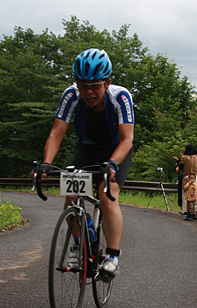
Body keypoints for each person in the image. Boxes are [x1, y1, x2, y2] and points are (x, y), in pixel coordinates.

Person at [37, 48, 135, 279]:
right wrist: (46, 163)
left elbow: (127, 139)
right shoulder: (71, 95)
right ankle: (79, 244)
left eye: (95, 86)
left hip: (116, 150)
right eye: (83, 85)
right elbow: (56, 133)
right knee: (70, 198)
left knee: (107, 195)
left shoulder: (120, 97)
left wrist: (112, 164)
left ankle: (112, 255)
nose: (89, 92)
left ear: (107, 82)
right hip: (87, 148)